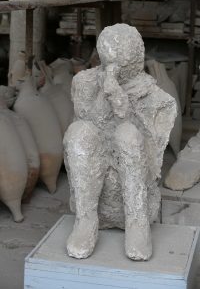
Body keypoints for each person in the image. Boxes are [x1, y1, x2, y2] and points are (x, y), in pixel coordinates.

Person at [64, 24, 177, 261]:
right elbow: (87, 122)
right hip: (97, 157)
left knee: (127, 134)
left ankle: (136, 221)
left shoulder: (155, 96)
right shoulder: (84, 82)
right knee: (78, 132)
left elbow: (152, 147)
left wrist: (120, 103)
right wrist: (107, 91)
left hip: (131, 162)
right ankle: (86, 220)